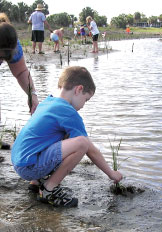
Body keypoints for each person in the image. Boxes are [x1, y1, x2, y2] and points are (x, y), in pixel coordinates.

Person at [11, 66, 123, 207]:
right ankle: (48, 189)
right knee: (82, 143)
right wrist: (111, 173)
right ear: (79, 89)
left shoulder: (48, 102)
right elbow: (89, 148)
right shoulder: (68, 112)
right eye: (86, 100)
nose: (83, 105)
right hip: (29, 167)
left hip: (19, 162)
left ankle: (36, 182)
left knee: (65, 136)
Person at [0, 14, 40, 116]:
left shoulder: (12, 44)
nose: (2, 60)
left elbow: (20, 72)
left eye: (4, 58)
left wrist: (32, 95)